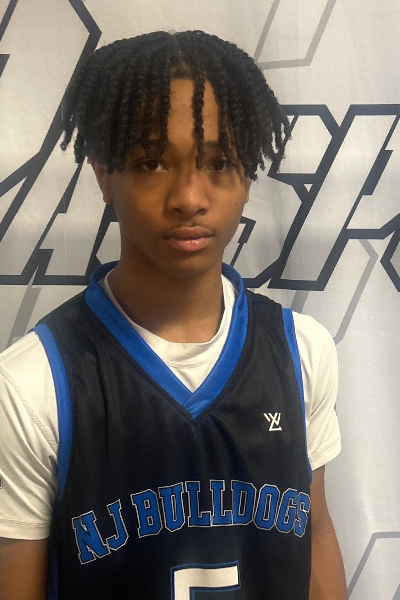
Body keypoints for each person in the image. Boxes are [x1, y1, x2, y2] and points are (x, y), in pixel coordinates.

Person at [0, 30, 347, 600]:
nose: (189, 197)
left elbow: (316, 532)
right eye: (152, 162)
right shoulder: (33, 384)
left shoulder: (303, 351)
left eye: (219, 162)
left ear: (248, 177)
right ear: (103, 174)